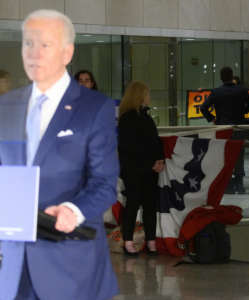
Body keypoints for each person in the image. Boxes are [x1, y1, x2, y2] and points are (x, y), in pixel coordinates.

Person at [0, 9, 119, 300]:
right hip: (11, 264)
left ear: (67, 52)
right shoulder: (7, 105)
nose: (34, 53)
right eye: (28, 43)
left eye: (45, 45)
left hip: (68, 263)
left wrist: (74, 211)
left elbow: (105, 182)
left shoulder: (94, 108)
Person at [118, 81, 164, 256]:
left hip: (150, 170)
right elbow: (130, 147)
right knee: (133, 205)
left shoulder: (146, 117)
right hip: (135, 170)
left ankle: (151, 240)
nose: (149, 97)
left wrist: (160, 159)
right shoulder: (128, 118)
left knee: (150, 206)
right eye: (147, 94)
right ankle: (128, 241)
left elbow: (155, 141)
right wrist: (150, 162)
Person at [200, 66, 249, 194]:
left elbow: (203, 108)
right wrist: (243, 112)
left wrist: (213, 118)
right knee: (239, 155)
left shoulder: (216, 92)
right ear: (232, 76)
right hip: (238, 127)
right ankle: (239, 184)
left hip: (222, 128)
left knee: (224, 156)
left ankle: (227, 185)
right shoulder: (241, 90)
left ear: (221, 78)